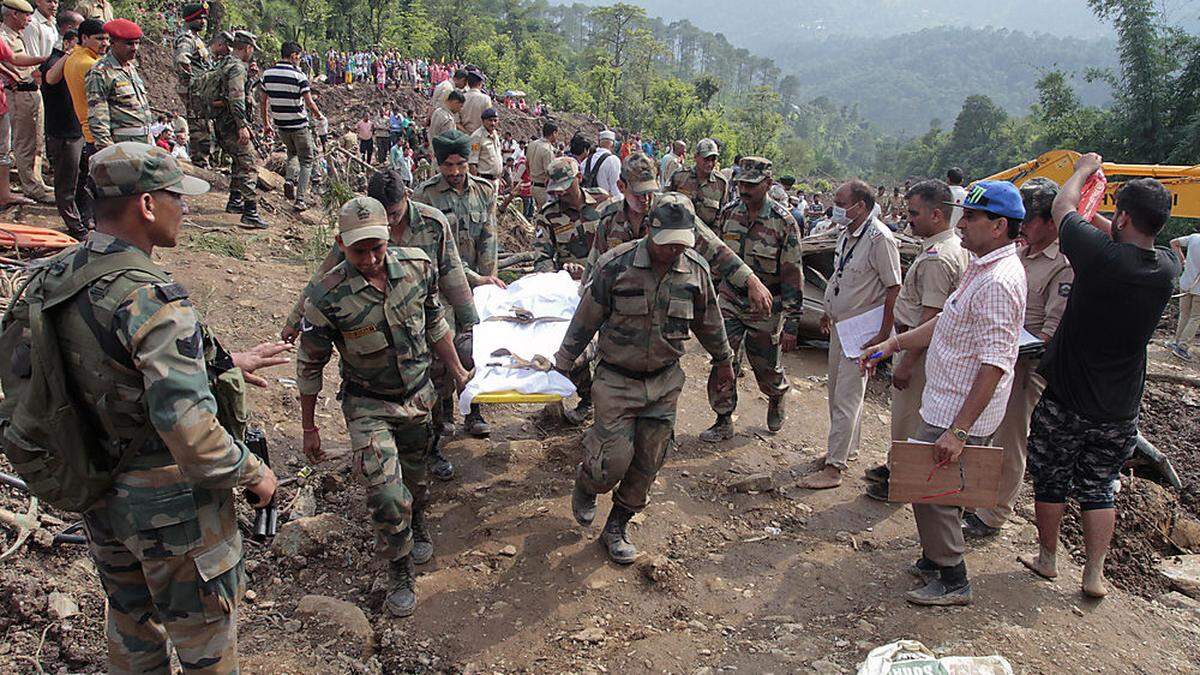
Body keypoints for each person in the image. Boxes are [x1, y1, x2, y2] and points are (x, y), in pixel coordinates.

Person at [0, 142, 280, 671]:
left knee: (131, 629)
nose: (187, 208)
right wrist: (254, 472)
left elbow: (85, 369)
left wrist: (226, 361)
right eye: (177, 196)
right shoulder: (149, 299)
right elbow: (193, 437)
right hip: (174, 511)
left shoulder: (54, 276)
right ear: (147, 205)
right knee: (206, 646)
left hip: (100, 491)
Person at [297, 196, 470, 618]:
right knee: (386, 494)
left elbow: (435, 323)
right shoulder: (326, 294)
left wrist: (457, 369)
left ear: (389, 235)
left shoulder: (417, 267)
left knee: (416, 481)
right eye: (359, 250)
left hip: (417, 396)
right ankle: (399, 566)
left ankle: (420, 521)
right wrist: (308, 428)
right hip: (367, 405)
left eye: (377, 246)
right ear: (341, 243)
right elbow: (310, 363)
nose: (371, 258)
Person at [1018, 154, 1179, 599]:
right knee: (1099, 489)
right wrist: (1105, 221)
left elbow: (1062, 209)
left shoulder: (1100, 259)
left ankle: (1048, 559)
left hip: (1068, 395)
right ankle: (1094, 574)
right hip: (1121, 405)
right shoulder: (1166, 268)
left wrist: (1085, 170)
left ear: (1123, 215)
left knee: (1051, 478)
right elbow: (1105, 233)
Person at [862, 179, 1027, 606]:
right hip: (945, 399)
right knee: (933, 483)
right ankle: (936, 558)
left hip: (958, 409)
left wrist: (959, 430)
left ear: (999, 225)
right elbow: (947, 323)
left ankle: (953, 578)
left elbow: (995, 363)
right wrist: (893, 344)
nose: (963, 223)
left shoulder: (999, 282)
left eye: (972, 217)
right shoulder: (980, 266)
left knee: (932, 486)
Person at [555, 193, 735, 563]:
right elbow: (585, 319)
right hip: (617, 380)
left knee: (650, 461)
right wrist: (563, 361)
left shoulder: (695, 271)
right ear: (651, 231)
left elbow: (710, 323)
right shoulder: (615, 266)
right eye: (668, 243)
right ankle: (588, 481)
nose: (674, 252)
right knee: (611, 464)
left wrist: (724, 362)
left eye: (681, 244)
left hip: (664, 382)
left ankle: (617, 525)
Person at [282, 169, 477, 483]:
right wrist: (295, 319)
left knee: (434, 385)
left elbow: (452, 274)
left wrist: (469, 325)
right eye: (361, 250)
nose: (371, 257)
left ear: (406, 200)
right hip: (373, 355)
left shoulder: (432, 224)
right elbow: (323, 278)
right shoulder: (357, 233)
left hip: (421, 315)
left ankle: (433, 446)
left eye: (394, 216)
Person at [964, 178, 1073, 536]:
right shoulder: (1020, 254)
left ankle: (995, 513)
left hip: (1026, 365)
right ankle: (976, 499)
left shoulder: (1063, 266)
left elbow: (1052, 331)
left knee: (1011, 438)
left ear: (1052, 223)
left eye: (1031, 219)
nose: (1022, 226)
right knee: (985, 432)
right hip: (997, 357)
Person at [863, 180, 969, 502]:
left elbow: (930, 317)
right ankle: (896, 466)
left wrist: (907, 363)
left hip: (919, 350)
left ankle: (901, 481)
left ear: (936, 215)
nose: (909, 219)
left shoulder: (938, 258)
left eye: (914, 213)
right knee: (906, 417)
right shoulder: (946, 246)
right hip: (918, 344)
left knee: (909, 417)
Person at [799, 180, 901, 490]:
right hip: (841, 326)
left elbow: (893, 288)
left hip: (862, 332)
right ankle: (844, 449)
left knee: (846, 396)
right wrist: (828, 310)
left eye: (842, 202)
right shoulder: (846, 235)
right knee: (837, 394)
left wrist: (883, 335)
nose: (836, 206)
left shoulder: (879, 239)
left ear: (861, 206)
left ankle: (834, 469)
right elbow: (840, 278)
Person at [700, 157, 803, 441]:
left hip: (766, 308)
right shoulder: (729, 213)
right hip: (731, 300)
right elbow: (718, 257)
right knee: (723, 359)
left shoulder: (784, 223)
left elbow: (793, 275)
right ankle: (723, 418)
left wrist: (792, 323)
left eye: (751, 185)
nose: (744, 189)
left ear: (768, 184)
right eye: (741, 183)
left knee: (765, 367)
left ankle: (776, 393)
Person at [413, 129, 505, 438]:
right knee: (441, 354)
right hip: (440, 288)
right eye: (447, 165)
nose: (454, 172)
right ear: (437, 164)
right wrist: (475, 278)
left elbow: (489, 238)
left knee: (474, 350)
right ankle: (445, 415)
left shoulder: (484, 191)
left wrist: (485, 280)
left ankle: (473, 409)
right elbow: (432, 253)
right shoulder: (425, 196)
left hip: (477, 288)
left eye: (460, 165)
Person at [261, 40, 324, 211]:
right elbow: (309, 102)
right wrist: (319, 115)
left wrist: (266, 123)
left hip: (281, 125)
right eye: (299, 56)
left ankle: (289, 180)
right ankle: (301, 198)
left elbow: (263, 101)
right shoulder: (299, 75)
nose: (299, 59)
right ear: (293, 55)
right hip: (299, 125)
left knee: (292, 153)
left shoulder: (267, 74)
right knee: (307, 160)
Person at [212, 30, 265, 228]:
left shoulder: (225, 63)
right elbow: (236, 98)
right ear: (247, 48)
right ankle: (250, 211)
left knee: (238, 160)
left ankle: (235, 201)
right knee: (249, 163)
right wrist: (242, 125)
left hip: (224, 122)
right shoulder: (236, 68)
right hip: (232, 124)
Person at [1, 0, 52, 203]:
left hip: (31, 90)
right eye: (25, 15)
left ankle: (36, 181)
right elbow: (13, 60)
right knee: (24, 143)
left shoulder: (19, 35)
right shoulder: (3, 36)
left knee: (36, 141)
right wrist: (45, 59)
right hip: (17, 92)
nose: (29, 20)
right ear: (13, 14)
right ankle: (31, 187)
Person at [39, 11, 84, 236]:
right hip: (63, 133)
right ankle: (75, 227)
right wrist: (69, 54)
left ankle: (86, 221)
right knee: (66, 185)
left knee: (83, 181)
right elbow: (50, 78)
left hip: (79, 131)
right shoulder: (54, 60)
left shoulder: (84, 61)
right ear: (68, 38)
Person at [61, 17, 104, 222]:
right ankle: (89, 222)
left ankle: (85, 219)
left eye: (107, 39)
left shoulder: (74, 58)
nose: (104, 43)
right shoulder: (92, 65)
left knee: (84, 180)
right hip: (93, 129)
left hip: (83, 127)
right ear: (84, 37)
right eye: (99, 38)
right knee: (94, 182)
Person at [85, 18, 150, 149]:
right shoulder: (101, 72)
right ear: (113, 43)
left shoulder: (130, 68)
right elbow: (97, 115)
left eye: (137, 43)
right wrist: (108, 149)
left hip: (142, 141)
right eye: (129, 44)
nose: (135, 48)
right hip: (121, 144)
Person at [173, 3, 211, 166]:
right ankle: (200, 162)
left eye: (204, 18)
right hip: (195, 91)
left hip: (201, 90)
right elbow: (182, 60)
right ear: (189, 19)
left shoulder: (196, 39)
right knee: (199, 129)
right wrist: (192, 83)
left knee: (204, 127)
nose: (203, 21)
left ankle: (203, 161)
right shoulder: (187, 38)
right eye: (199, 18)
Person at [667, 138, 728, 227]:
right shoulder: (679, 176)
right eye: (706, 159)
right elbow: (665, 203)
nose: (710, 164)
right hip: (678, 232)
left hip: (706, 237)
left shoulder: (721, 183)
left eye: (713, 159)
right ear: (696, 157)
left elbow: (721, 216)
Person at [1167, 228, 1200, 361]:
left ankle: (1176, 342)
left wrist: (1182, 260)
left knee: (1184, 314)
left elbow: (1173, 242)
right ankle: (1183, 346)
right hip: (1198, 288)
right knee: (1195, 317)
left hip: (1186, 282)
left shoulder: (1194, 237)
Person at [582, 129, 622, 200]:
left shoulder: (586, 161)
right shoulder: (613, 160)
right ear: (613, 144)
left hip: (587, 202)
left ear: (599, 143)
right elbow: (615, 188)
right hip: (604, 205)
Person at [526, 120, 556, 209]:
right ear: (554, 133)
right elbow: (549, 174)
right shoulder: (547, 150)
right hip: (543, 188)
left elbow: (526, 163)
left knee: (539, 213)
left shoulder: (532, 144)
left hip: (533, 185)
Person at [468, 107, 502, 181]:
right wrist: (475, 182)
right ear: (483, 121)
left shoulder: (495, 134)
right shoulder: (477, 137)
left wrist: (499, 178)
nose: (493, 123)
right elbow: (472, 163)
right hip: (483, 180)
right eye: (490, 120)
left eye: (495, 120)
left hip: (495, 180)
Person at [459, 66, 492, 134]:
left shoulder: (460, 98)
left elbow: (456, 122)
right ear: (480, 84)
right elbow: (489, 121)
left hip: (463, 137)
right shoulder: (486, 99)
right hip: (480, 137)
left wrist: (468, 134)